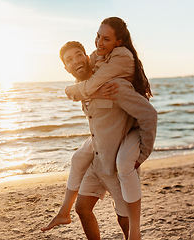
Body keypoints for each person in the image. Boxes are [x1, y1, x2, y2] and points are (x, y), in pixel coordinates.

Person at [43, 17, 157, 240]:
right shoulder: (83, 87)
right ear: (65, 68)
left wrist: (142, 154)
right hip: (97, 161)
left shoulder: (114, 85)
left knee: (124, 220)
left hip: (116, 164)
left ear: (86, 58)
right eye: (69, 59)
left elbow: (148, 114)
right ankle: (63, 212)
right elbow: (76, 91)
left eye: (79, 55)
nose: (76, 61)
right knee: (82, 209)